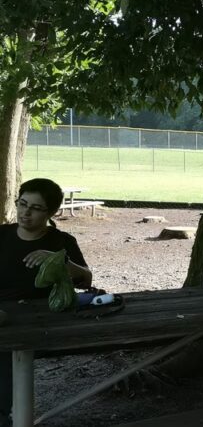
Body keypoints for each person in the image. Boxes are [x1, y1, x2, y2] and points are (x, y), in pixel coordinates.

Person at [0, 178, 92, 426]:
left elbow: (85, 279)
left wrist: (59, 260)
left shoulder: (61, 242)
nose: (25, 213)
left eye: (36, 208)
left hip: (45, 323)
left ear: (51, 212)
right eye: (22, 204)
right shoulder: (2, 235)